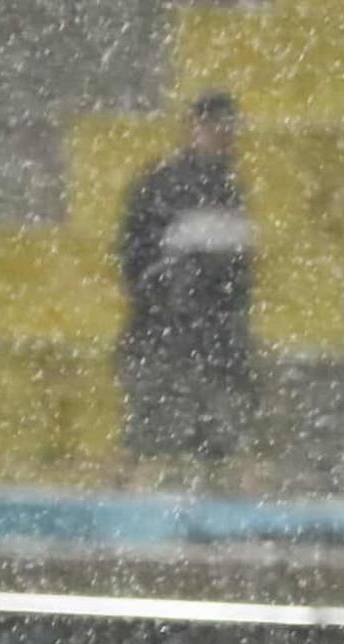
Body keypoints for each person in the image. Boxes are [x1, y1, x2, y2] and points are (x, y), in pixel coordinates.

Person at [115, 91, 257, 488]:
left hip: (213, 346)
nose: (221, 137)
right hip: (166, 340)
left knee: (218, 451)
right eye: (213, 127)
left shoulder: (231, 192)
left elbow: (237, 280)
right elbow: (137, 264)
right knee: (149, 445)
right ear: (193, 129)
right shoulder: (162, 187)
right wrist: (173, 304)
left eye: (227, 129)